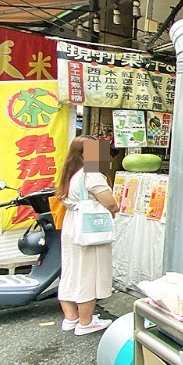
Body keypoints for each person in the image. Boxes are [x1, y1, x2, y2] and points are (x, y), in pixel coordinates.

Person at [56, 136, 118, 336]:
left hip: (72, 224)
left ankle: (71, 317)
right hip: (89, 229)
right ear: (84, 154)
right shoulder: (92, 174)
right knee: (88, 274)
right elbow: (110, 202)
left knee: (71, 271)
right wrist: (115, 208)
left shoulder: (70, 173)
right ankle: (86, 322)